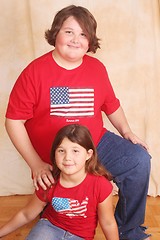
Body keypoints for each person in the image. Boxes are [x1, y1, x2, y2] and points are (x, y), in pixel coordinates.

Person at [5, 4, 151, 240]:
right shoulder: (34, 72)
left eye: (83, 34)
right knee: (56, 197)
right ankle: (53, 214)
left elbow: (111, 105)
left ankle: (129, 230)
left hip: (94, 142)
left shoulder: (96, 68)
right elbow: (13, 121)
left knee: (139, 159)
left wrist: (127, 132)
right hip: (58, 151)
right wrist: (35, 163)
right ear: (55, 34)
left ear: (90, 41)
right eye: (69, 31)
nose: (76, 40)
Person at [0, 124, 119, 240]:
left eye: (75, 151)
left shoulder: (101, 185)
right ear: (54, 153)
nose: (67, 157)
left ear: (88, 154)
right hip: (49, 227)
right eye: (61, 151)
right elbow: (26, 214)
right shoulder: (48, 181)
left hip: (81, 235)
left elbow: (108, 223)